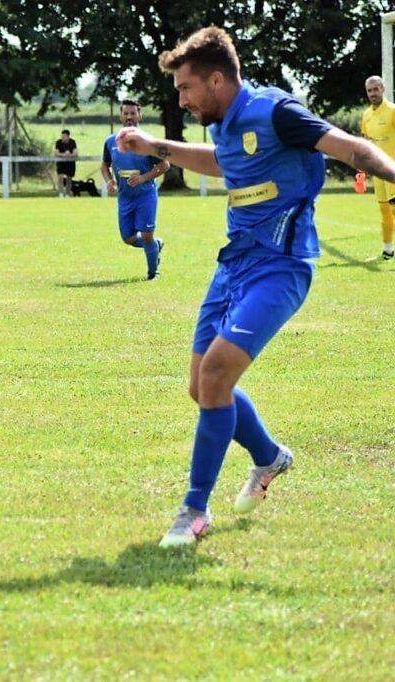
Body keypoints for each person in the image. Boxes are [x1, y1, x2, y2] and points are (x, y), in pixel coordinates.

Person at [114, 27, 395, 547]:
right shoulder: (223, 123)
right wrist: (158, 145)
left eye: (185, 89)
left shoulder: (277, 112)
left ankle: (194, 511)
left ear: (216, 79)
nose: (181, 100)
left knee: (218, 374)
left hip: (281, 266)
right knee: (201, 385)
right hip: (234, 264)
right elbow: (223, 163)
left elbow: (352, 148)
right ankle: (269, 457)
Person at [101, 100, 170, 280]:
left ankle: (152, 273)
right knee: (128, 238)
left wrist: (143, 178)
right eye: (126, 113)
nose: (129, 117)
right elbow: (104, 166)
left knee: (147, 235)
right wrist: (109, 181)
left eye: (133, 113)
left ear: (140, 115)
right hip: (125, 198)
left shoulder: (150, 142)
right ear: (120, 116)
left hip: (146, 196)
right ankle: (156, 246)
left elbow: (165, 165)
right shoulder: (110, 142)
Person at [360, 75, 395, 260]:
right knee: (384, 211)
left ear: (383, 89)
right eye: (369, 90)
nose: (373, 93)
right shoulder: (366, 115)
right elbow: (366, 144)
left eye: (376, 89)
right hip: (377, 172)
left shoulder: (392, 111)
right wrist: (362, 169)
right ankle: (388, 250)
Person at [53, 129, 78, 198]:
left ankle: (67, 194)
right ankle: (61, 193)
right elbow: (56, 152)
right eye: (62, 136)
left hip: (70, 163)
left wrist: (70, 155)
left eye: (64, 136)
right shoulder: (58, 142)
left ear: (68, 136)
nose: (62, 138)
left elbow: (75, 152)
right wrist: (63, 154)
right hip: (61, 163)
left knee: (69, 179)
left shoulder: (72, 142)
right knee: (60, 177)